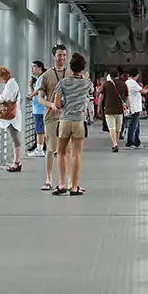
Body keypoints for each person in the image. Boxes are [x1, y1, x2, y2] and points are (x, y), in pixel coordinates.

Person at [52, 52, 90, 196]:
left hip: (64, 121)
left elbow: (57, 103)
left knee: (61, 153)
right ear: (83, 68)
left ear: (70, 67)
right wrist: (85, 79)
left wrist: (63, 105)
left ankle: (61, 185)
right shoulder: (87, 83)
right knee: (77, 154)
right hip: (79, 121)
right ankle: (74, 187)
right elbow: (90, 94)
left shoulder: (63, 83)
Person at [36, 44, 68, 191]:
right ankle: (48, 179)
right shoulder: (46, 76)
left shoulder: (71, 74)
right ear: (53, 57)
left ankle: (64, 180)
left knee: (66, 150)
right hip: (51, 116)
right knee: (50, 148)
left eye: (64, 55)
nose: (62, 58)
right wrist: (50, 104)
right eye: (59, 55)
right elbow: (40, 98)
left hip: (68, 117)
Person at [0, 66, 23, 172]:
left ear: (2, 76)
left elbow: (6, 98)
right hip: (14, 114)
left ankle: (17, 162)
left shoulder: (10, 84)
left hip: (12, 116)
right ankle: (17, 161)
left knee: (14, 137)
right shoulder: (11, 83)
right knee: (14, 137)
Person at [100, 69, 128, 153]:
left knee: (111, 127)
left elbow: (101, 96)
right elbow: (127, 97)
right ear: (118, 75)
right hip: (119, 110)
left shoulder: (106, 84)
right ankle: (116, 143)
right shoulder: (123, 84)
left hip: (108, 109)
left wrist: (99, 107)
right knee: (118, 128)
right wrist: (129, 108)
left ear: (110, 76)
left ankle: (114, 144)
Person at [124, 68, 148, 149]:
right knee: (133, 126)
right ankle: (129, 143)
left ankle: (137, 142)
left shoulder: (128, 82)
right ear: (136, 75)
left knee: (136, 126)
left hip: (133, 106)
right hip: (134, 107)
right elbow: (143, 91)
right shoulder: (132, 83)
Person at [27, 61, 47, 157]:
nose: (32, 69)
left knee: (40, 130)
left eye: (34, 67)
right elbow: (36, 92)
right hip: (39, 108)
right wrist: (31, 87)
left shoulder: (42, 78)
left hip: (40, 109)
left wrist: (30, 96)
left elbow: (38, 91)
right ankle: (45, 148)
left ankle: (39, 150)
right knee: (42, 129)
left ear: (40, 68)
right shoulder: (39, 79)